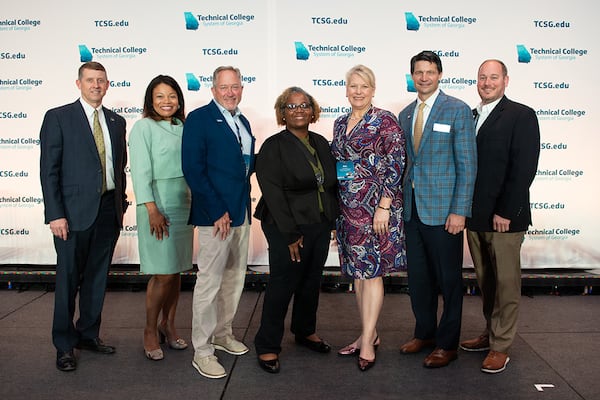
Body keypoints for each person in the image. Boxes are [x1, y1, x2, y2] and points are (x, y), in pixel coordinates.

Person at [39, 61, 128, 372]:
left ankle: (88, 334)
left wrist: (121, 205)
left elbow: (119, 168)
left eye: (101, 80)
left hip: (107, 211)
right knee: (67, 281)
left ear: (107, 84)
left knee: (97, 279)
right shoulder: (58, 117)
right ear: (78, 83)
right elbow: (48, 171)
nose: (96, 85)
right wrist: (55, 214)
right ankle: (64, 345)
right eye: (90, 80)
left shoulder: (117, 122)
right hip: (72, 215)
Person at [398, 50, 477, 368]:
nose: (424, 77)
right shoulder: (405, 114)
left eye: (430, 71)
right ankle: (425, 333)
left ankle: (447, 344)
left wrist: (460, 210)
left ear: (440, 74)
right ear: (412, 75)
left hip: (446, 213)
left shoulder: (456, 110)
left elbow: (468, 165)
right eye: (419, 71)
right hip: (412, 211)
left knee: (448, 281)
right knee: (418, 280)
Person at [460, 59, 540, 374]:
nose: (487, 82)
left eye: (494, 77)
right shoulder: (470, 116)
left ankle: (501, 346)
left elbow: (524, 168)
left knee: (506, 284)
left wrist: (506, 210)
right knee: (487, 282)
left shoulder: (522, 115)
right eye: (482, 77)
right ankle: (490, 333)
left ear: (506, 80)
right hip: (475, 216)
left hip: (505, 218)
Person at [253, 87, 339, 374]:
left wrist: (333, 220)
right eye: (291, 106)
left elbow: (329, 184)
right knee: (283, 282)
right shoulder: (273, 146)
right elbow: (273, 193)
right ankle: (267, 345)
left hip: (318, 222)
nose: (298, 110)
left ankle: (304, 331)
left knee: (311, 280)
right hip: (285, 225)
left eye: (304, 105)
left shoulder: (321, 142)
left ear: (312, 110)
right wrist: (290, 234)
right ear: (282, 112)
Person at [331, 65, 407, 372]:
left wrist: (384, 206)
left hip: (377, 210)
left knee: (372, 273)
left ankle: (367, 343)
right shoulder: (339, 123)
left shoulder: (384, 121)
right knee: (358, 275)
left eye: (364, 86)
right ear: (346, 89)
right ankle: (368, 334)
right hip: (348, 211)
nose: (358, 91)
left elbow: (397, 163)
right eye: (353, 86)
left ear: (373, 90)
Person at [182, 66, 255, 379]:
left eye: (235, 86)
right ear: (213, 90)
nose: (230, 92)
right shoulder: (199, 120)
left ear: (241, 89)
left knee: (234, 279)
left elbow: (244, 167)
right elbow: (193, 170)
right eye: (224, 87)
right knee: (210, 283)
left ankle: (223, 334)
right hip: (216, 218)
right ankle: (202, 349)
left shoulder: (243, 120)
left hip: (240, 214)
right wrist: (215, 211)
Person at [129, 75, 193, 361]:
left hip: (184, 201)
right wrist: (151, 208)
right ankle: (149, 329)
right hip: (157, 203)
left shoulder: (184, 127)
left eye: (171, 96)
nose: (166, 101)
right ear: (150, 101)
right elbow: (141, 170)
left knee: (177, 270)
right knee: (163, 271)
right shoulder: (143, 127)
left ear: (179, 99)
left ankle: (169, 323)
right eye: (159, 96)